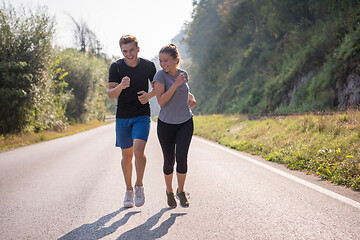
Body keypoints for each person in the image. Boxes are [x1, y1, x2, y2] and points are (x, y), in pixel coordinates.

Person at [107, 35, 156, 208]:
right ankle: (128, 190)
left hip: (142, 114)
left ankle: (139, 185)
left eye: (132, 50)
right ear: (122, 51)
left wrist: (149, 95)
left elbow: (159, 86)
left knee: (138, 150)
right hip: (122, 116)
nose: (129, 54)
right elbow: (111, 94)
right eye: (125, 51)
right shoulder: (116, 67)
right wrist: (121, 86)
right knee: (126, 156)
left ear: (138, 49)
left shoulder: (148, 66)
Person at [153, 43, 196, 208]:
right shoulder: (160, 76)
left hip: (185, 122)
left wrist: (191, 98)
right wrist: (176, 84)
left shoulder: (183, 74)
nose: (163, 64)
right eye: (160, 61)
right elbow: (162, 100)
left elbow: (185, 91)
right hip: (166, 125)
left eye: (166, 61)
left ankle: (181, 191)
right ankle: (169, 191)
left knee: (182, 158)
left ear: (176, 60)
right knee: (169, 161)